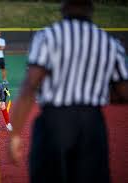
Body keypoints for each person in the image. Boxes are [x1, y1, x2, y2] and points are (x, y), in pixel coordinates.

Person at [9, 1, 128, 183]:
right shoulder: (110, 43)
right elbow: (123, 92)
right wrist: (93, 90)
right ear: (91, 8)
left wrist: (15, 133)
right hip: (92, 124)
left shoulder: (48, 36)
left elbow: (31, 85)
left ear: (64, 6)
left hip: (54, 122)